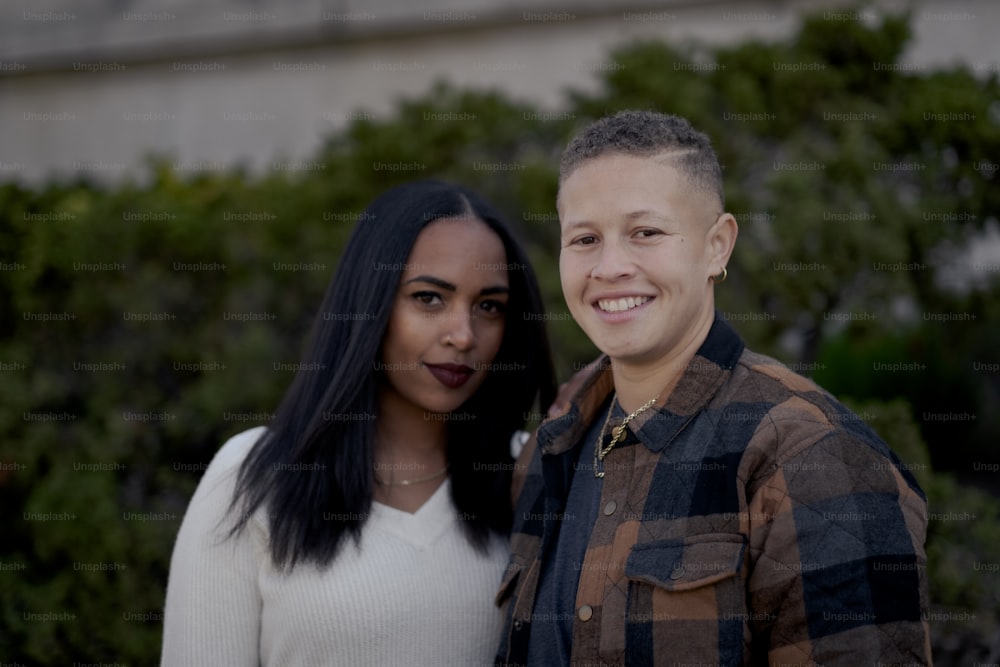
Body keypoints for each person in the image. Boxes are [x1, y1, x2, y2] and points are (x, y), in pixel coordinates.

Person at [494, 111, 931, 666]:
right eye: (584, 239)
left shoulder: (810, 456)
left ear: (717, 245)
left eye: (645, 232)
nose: (609, 266)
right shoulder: (549, 450)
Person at [161, 180, 555, 666]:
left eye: (489, 306)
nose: (462, 335)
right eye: (429, 298)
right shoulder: (253, 477)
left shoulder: (535, 475)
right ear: (370, 303)